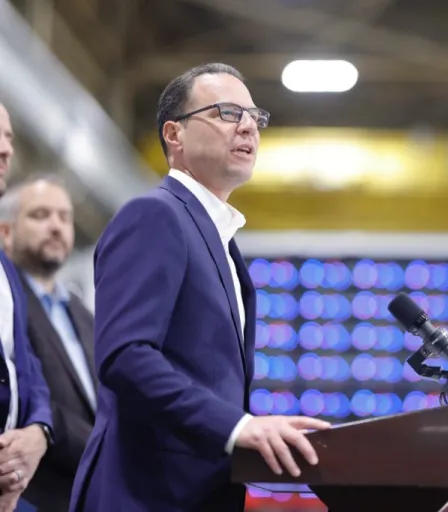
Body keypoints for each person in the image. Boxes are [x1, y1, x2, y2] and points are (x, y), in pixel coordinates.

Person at [69, 63, 331, 512]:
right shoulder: (155, 216)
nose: (248, 125)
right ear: (175, 134)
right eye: (228, 113)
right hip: (143, 494)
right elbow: (125, 356)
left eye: (255, 117)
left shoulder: (222, 242)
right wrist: (237, 427)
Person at [0, 174, 96, 511]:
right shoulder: (6, 308)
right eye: (40, 215)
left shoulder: (82, 313)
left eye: (64, 217)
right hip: (34, 497)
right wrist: (107, 450)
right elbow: (27, 399)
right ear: (5, 232)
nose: (56, 226)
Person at [0, 104, 55, 512]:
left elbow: (27, 367)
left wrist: (39, 432)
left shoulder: (6, 267)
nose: (5, 150)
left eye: (10, 138)